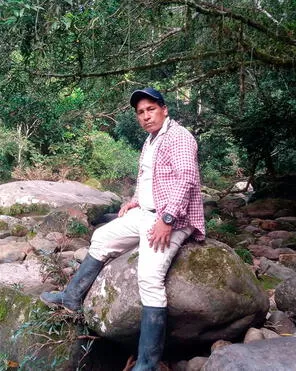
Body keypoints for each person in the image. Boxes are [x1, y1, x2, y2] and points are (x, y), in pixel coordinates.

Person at [40, 87, 206, 370]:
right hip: (146, 213)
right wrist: (134, 201)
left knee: (149, 277)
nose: (145, 116)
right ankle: (71, 298)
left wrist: (167, 220)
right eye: (140, 112)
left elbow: (185, 180)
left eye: (150, 109)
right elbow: (150, 179)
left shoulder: (179, 137)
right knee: (102, 237)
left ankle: (147, 363)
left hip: (173, 219)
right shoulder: (151, 140)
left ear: (164, 109)